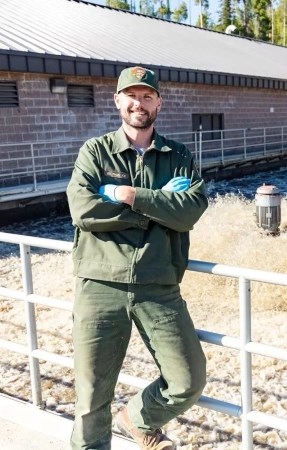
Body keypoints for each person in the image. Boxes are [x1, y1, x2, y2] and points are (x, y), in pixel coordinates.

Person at [66, 66, 208, 450]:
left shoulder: (177, 155)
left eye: (147, 96)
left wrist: (128, 195)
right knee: (92, 396)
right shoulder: (96, 151)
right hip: (100, 284)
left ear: (159, 102)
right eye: (131, 95)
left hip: (158, 283)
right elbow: (84, 210)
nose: (138, 103)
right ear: (117, 101)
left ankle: (140, 418)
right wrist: (158, 207)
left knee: (187, 380)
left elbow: (191, 210)